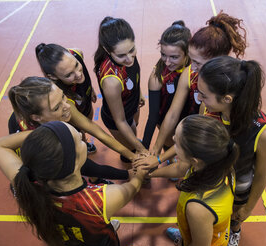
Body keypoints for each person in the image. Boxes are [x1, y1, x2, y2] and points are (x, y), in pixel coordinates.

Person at [0, 121, 147, 246]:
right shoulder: (103, 199)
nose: (81, 135)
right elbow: (134, 187)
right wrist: (139, 174)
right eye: (78, 140)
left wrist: (45, 139)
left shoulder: (26, 181)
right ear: (74, 164)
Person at [197, 56, 266, 246]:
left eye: (204, 95)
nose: (199, 99)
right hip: (210, 179)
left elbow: (261, 174)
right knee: (205, 217)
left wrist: (248, 208)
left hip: (237, 189)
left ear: (227, 99)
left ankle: (234, 232)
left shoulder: (264, 132)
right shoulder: (207, 110)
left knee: (232, 219)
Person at [152, 12, 247, 156]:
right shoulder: (191, 72)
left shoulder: (235, 83)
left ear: (217, 59)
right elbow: (172, 114)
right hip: (200, 135)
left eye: (197, 63)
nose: (192, 67)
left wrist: (162, 159)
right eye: (191, 60)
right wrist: (155, 151)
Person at [8, 76, 135, 183]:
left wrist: (132, 156)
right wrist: (128, 174)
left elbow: (97, 131)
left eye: (63, 96)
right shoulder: (47, 143)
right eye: (57, 107)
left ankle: (95, 180)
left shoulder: (59, 109)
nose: (67, 106)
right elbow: (87, 167)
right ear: (36, 117)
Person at [145, 115, 239, 246]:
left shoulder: (197, 208)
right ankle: (187, 234)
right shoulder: (220, 163)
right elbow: (179, 168)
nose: (172, 139)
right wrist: (150, 173)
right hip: (207, 228)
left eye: (177, 142)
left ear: (194, 160)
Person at [94, 16, 147, 158]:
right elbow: (120, 121)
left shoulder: (126, 58)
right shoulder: (111, 81)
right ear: (107, 50)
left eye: (132, 50)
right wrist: (141, 149)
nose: (129, 59)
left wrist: (139, 93)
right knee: (131, 150)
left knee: (134, 130)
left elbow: (132, 76)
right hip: (119, 119)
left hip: (132, 104)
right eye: (121, 55)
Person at [35, 43, 97, 154]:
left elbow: (79, 52)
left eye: (77, 65)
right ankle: (83, 146)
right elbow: (90, 127)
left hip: (84, 101)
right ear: (53, 76)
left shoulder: (74, 54)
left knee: (87, 118)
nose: (78, 74)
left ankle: (83, 139)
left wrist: (90, 88)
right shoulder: (60, 94)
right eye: (69, 75)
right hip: (72, 115)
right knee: (79, 133)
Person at [142, 21, 191, 151]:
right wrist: (144, 149)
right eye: (163, 55)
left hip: (192, 122)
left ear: (187, 52)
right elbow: (152, 117)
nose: (167, 62)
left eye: (174, 57)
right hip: (167, 124)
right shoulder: (157, 77)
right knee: (170, 150)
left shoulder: (195, 67)